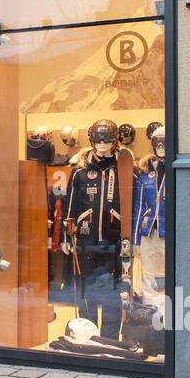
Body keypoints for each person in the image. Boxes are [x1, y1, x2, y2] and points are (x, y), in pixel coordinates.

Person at [63, 120, 129, 339]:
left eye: (107, 138)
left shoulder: (124, 171)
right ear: (91, 139)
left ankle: (109, 339)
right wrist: (67, 235)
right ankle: (87, 334)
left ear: (115, 140)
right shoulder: (79, 173)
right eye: (98, 138)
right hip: (85, 240)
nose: (102, 143)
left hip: (115, 240)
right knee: (86, 289)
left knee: (113, 291)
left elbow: (131, 205)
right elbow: (70, 209)